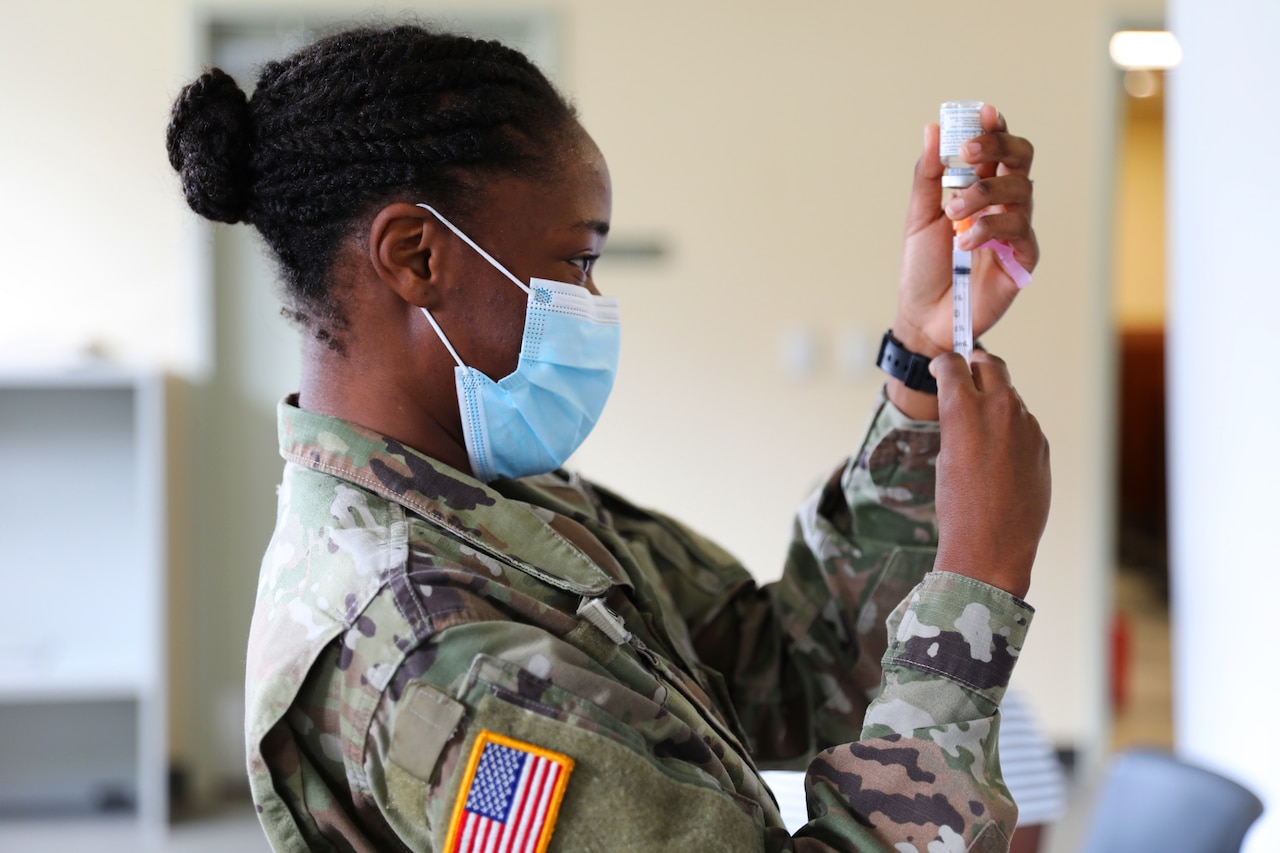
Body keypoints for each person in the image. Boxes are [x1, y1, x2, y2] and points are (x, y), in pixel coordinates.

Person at [166, 23, 1049, 852]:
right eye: (576, 260)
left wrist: (920, 359)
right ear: (417, 256)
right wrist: (979, 579)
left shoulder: (498, 498)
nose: (590, 301)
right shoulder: (429, 657)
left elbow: (798, 669)